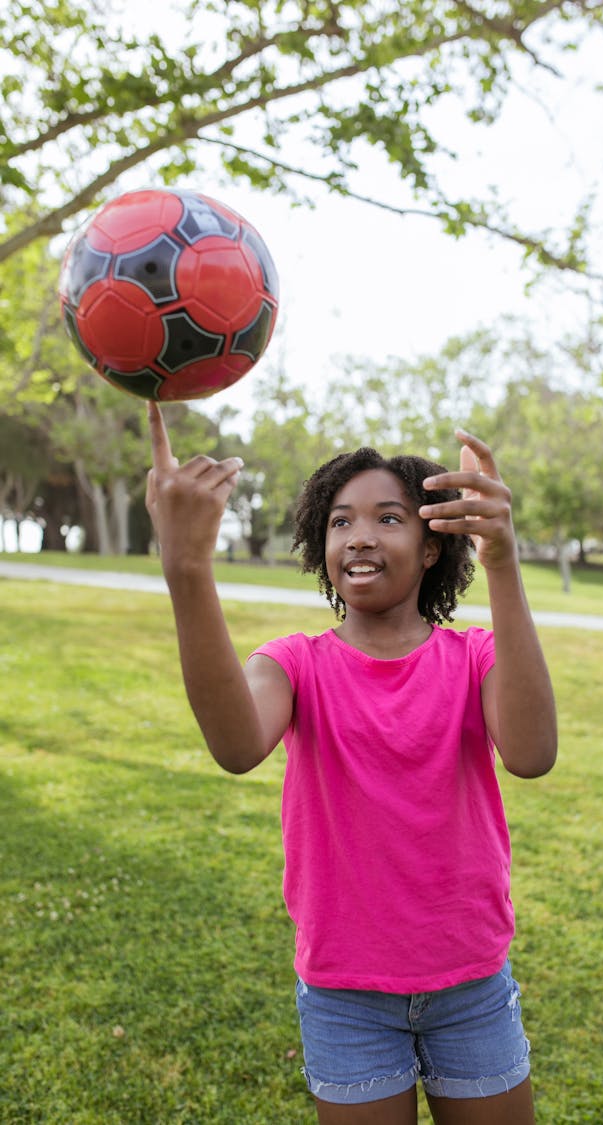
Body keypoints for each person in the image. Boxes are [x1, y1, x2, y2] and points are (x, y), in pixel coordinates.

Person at [146, 401, 557, 1125]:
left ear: (433, 546)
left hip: (471, 983)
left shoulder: (475, 657)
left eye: (389, 518)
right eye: (341, 520)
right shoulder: (295, 662)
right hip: (345, 995)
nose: (360, 536)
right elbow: (237, 744)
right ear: (320, 541)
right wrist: (186, 568)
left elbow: (531, 753)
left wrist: (503, 560)